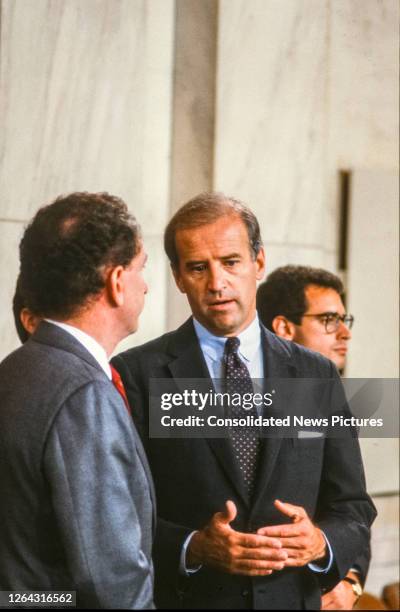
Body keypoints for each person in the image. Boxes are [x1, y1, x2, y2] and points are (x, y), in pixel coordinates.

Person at [112, 192, 376, 610]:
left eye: (231, 262)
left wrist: (320, 543)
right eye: (198, 268)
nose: (217, 283)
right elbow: (116, 515)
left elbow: (352, 506)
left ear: (258, 263)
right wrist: (193, 545)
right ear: (179, 277)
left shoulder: (316, 374)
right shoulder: (135, 374)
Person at [0, 192, 155, 609]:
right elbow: (112, 582)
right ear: (117, 282)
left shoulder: (14, 370)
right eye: (142, 269)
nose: (147, 283)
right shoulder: (83, 393)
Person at [257, 265, 369, 609]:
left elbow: (352, 501)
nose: (344, 334)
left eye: (343, 320)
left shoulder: (327, 393)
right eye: (328, 320)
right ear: (284, 328)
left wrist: (350, 581)